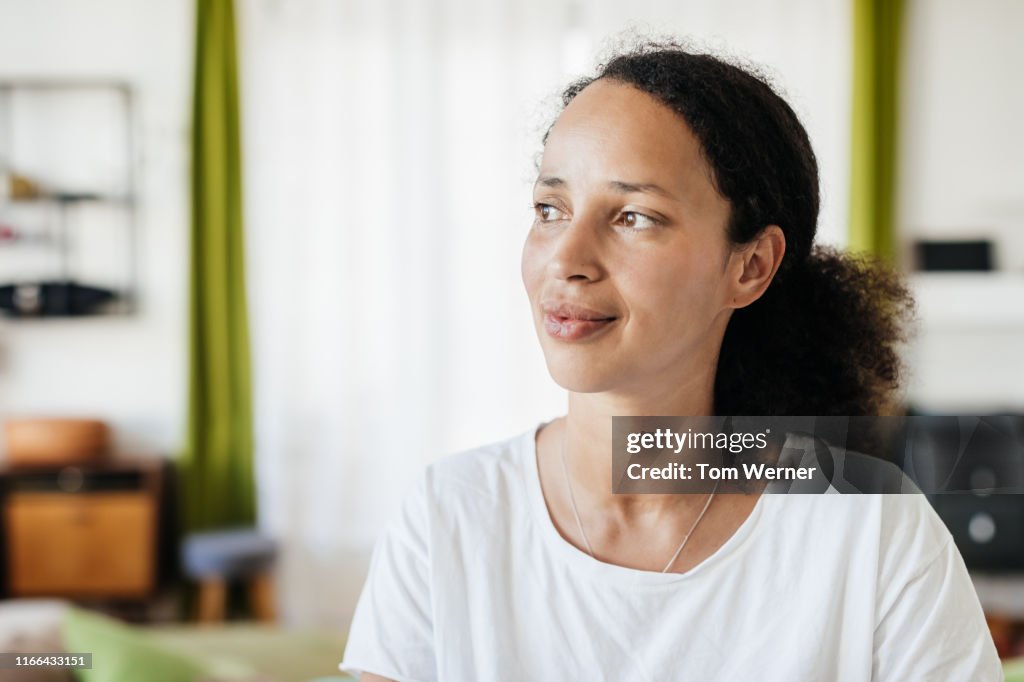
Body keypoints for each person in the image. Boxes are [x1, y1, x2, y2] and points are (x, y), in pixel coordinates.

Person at [340, 42, 1002, 681]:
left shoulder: (873, 529)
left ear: (749, 267)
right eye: (550, 209)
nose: (566, 261)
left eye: (633, 217)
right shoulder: (448, 515)